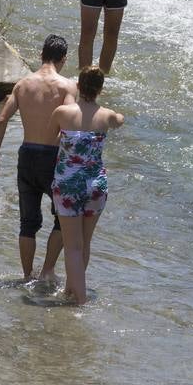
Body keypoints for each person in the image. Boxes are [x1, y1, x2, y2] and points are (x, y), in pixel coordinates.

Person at [0, 35, 79, 283]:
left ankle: (27, 276)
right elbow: (70, 121)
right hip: (52, 158)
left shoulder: (22, 84)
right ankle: (47, 270)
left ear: (41, 55)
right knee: (64, 217)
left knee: (27, 223)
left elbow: (1, 119)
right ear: (64, 59)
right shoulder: (67, 86)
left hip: (26, 155)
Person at [48, 66, 124, 306]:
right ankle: (72, 289)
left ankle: (79, 301)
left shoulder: (61, 112)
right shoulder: (107, 116)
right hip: (96, 185)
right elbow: (120, 121)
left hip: (68, 184)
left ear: (78, 86)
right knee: (84, 244)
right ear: (101, 89)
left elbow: (54, 139)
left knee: (72, 247)